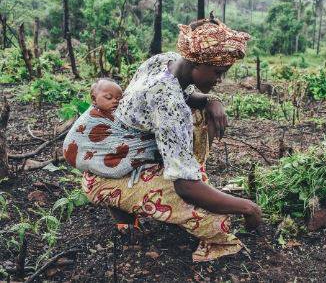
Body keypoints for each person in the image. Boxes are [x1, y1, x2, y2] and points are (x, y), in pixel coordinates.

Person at [67, 16, 262, 262]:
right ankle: (122, 197)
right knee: (218, 222)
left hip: (113, 156)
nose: (219, 80)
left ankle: (132, 205)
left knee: (198, 115)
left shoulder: (163, 61)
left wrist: (212, 100)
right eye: (218, 72)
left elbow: (187, 94)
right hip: (106, 174)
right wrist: (248, 208)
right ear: (195, 62)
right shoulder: (168, 104)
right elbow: (184, 186)